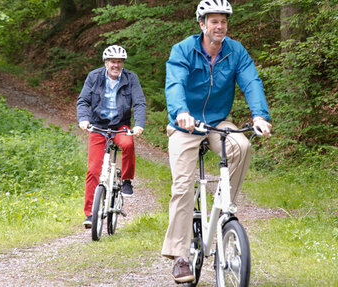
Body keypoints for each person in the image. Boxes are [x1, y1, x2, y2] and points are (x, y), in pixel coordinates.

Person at [161, 0, 272, 283]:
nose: (219, 26)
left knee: (242, 146)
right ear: (202, 24)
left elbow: (251, 82)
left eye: (223, 21)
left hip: (216, 121)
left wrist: (259, 116)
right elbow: (175, 84)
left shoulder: (235, 51)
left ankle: (223, 211)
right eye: (214, 21)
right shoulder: (183, 50)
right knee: (184, 186)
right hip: (185, 124)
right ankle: (181, 255)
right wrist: (181, 113)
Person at [76, 45, 147, 229]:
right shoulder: (94, 77)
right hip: (98, 126)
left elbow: (139, 103)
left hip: (120, 125)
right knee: (93, 170)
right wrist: (84, 120)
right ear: (106, 62)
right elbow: (83, 100)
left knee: (128, 144)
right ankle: (90, 214)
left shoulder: (131, 78)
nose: (116, 65)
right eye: (113, 62)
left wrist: (139, 124)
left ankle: (126, 180)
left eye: (119, 62)